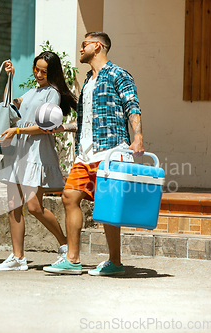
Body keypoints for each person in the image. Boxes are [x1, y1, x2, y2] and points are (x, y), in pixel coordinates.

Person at [43, 32, 144, 276]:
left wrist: (138, 135)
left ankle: (115, 262)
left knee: (107, 206)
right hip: (86, 153)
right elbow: (87, 119)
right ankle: (73, 259)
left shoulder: (118, 74)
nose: (80, 49)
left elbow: (132, 106)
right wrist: (64, 127)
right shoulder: (88, 80)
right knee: (69, 196)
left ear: (97, 46)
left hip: (111, 150)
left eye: (84, 44)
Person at [0, 51, 78, 271]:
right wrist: (9, 78)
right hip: (19, 152)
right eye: (36, 69)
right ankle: (18, 257)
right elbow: (9, 105)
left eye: (43, 71)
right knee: (14, 206)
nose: (38, 74)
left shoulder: (53, 94)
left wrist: (18, 129)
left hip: (36, 152)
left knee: (34, 207)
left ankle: (65, 245)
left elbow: (46, 127)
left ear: (53, 72)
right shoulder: (32, 92)